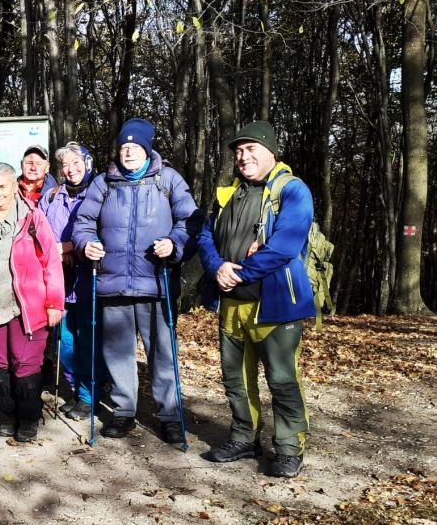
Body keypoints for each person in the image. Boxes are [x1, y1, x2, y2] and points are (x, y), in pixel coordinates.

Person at [197, 120, 316, 478]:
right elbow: (204, 235)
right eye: (238, 151)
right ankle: (243, 437)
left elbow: (285, 246)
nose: (242, 156)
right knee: (235, 378)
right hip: (231, 302)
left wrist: (240, 273)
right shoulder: (228, 193)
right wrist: (217, 266)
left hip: (277, 303)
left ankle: (288, 448)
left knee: (281, 379)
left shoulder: (292, 190)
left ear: (271, 152)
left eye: (250, 149)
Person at [73, 118, 198, 445]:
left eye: (134, 147)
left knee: (162, 353)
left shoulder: (167, 180)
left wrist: (174, 244)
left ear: (146, 149)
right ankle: (124, 411)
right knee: (117, 353)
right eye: (123, 147)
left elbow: (189, 221)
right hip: (113, 284)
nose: (127, 152)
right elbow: (83, 223)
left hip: (156, 283)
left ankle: (169, 414)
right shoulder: (104, 183)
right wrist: (87, 244)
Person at [0, 163, 64, 442]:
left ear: (14, 186)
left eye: (2, 186)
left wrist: (55, 302)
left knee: (26, 364)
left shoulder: (33, 218)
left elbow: (51, 263)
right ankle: (8, 414)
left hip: (25, 308)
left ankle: (29, 417)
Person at [38, 142, 105, 420]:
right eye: (66, 164)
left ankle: (90, 396)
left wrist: (67, 248)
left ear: (88, 164)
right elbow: (37, 231)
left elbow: (106, 231)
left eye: (77, 163)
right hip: (58, 282)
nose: (71, 169)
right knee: (65, 343)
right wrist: (53, 251)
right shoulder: (52, 196)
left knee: (88, 340)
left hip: (89, 280)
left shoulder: (101, 194)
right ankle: (77, 390)